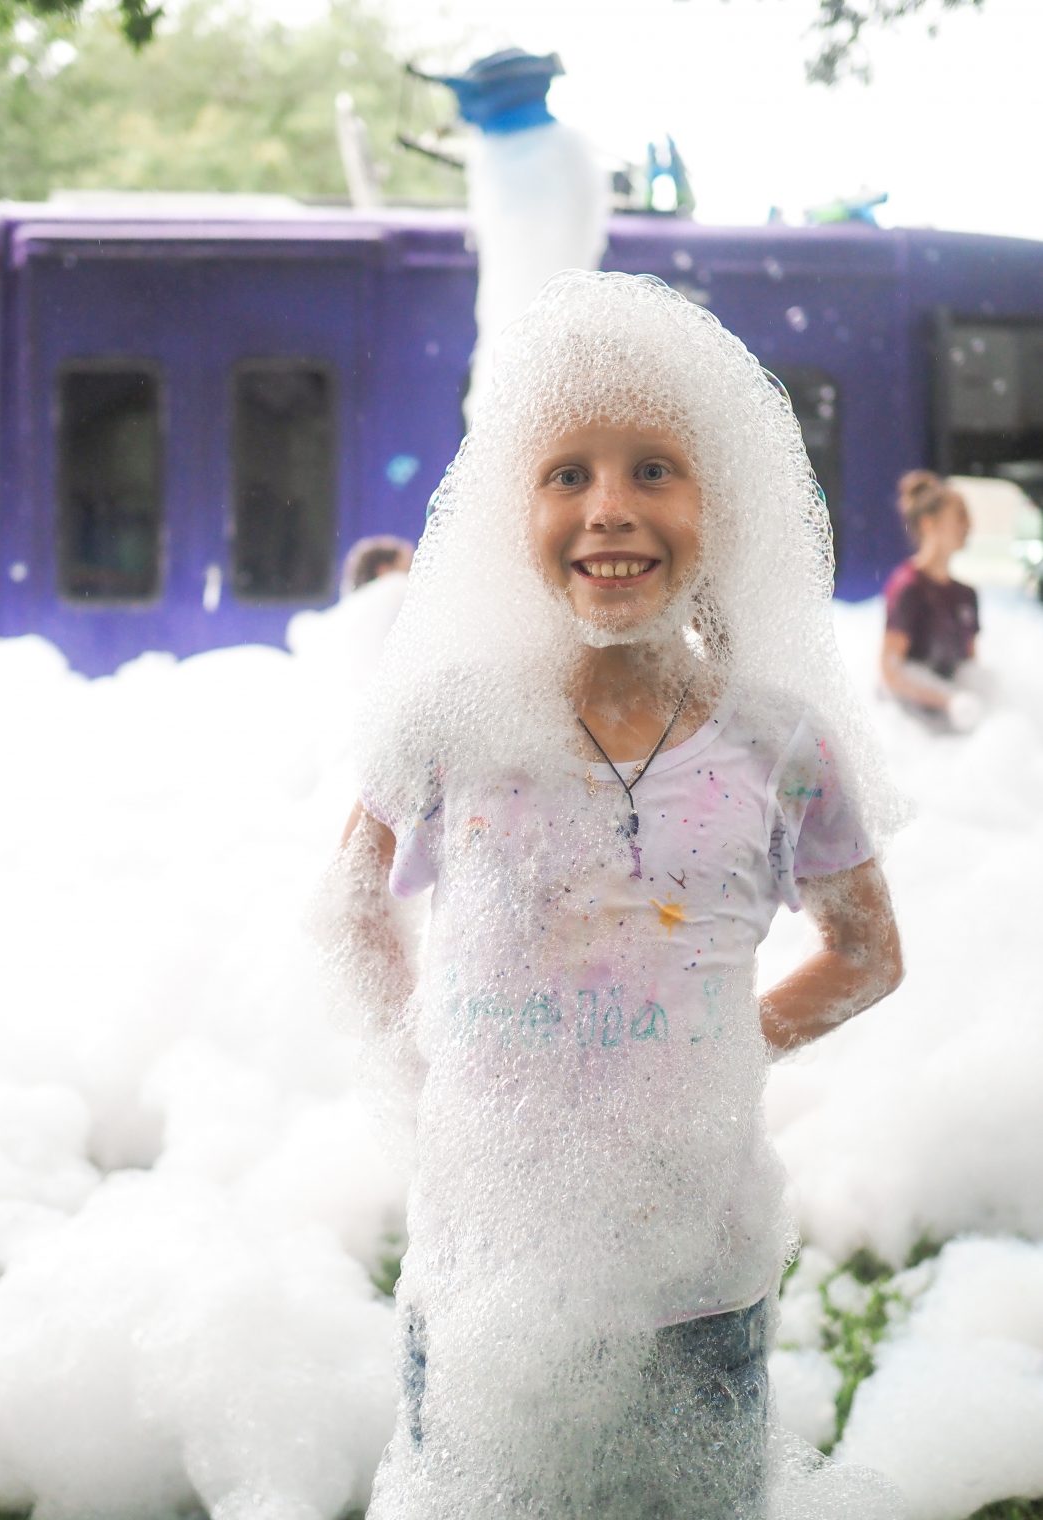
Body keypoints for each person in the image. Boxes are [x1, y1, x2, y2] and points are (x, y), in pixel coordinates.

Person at [326, 272, 905, 1519]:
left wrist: (723, 1049)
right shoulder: (449, 721)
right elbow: (349, 905)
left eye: (655, 469)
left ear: (723, 506)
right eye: (566, 472)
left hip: (697, 1273)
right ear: (513, 510)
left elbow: (868, 954)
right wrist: (425, 1073)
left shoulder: (780, 744)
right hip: (484, 1250)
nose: (610, 508)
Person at [880, 470, 982, 730]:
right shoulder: (909, 588)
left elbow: (971, 669)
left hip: (955, 725)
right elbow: (891, 671)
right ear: (928, 523)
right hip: (914, 727)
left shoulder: (967, 595)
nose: (969, 525)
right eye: (959, 516)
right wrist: (949, 700)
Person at [340, 535, 415, 597]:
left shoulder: (347, 607)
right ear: (384, 571)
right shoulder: (399, 591)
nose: (415, 576)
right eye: (409, 568)